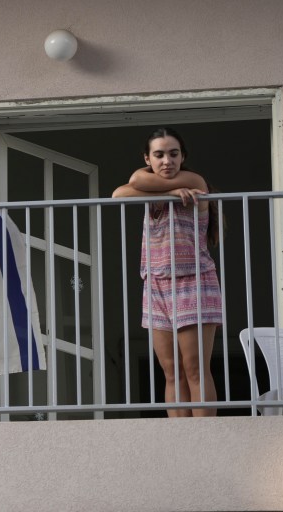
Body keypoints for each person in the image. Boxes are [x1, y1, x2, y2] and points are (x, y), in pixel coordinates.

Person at [112, 127, 222, 417]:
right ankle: (180, 441)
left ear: (183, 156)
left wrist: (170, 187)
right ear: (147, 158)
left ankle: (206, 439)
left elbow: (135, 181)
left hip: (194, 281)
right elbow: (119, 192)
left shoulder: (195, 180)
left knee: (195, 368)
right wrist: (171, 191)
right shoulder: (157, 187)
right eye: (158, 155)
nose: (167, 161)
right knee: (171, 372)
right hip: (156, 284)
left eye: (173, 154)